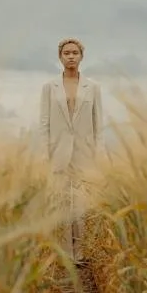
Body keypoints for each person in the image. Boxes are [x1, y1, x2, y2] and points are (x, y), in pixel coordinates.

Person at [39, 37, 103, 260]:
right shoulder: (49, 87)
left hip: (84, 154)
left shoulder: (93, 88)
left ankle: (81, 253)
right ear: (60, 57)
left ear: (81, 56)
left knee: (82, 205)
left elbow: (98, 125)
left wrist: (98, 154)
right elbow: (44, 124)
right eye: (66, 53)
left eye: (75, 52)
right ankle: (66, 253)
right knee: (62, 204)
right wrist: (45, 154)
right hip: (58, 153)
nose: (71, 56)